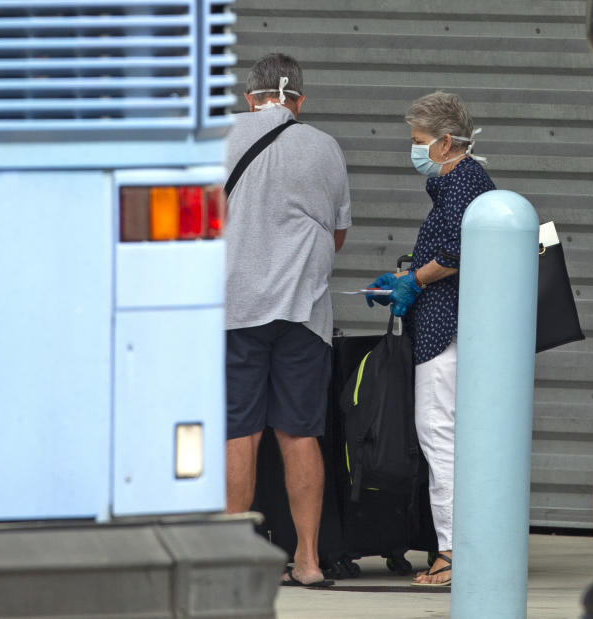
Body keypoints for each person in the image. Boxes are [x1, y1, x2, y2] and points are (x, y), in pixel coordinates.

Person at [224, 53, 351, 588]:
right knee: (300, 435)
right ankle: (308, 560)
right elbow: (338, 234)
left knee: (239, 433)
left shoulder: (220, 138)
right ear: (299, 99)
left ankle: (235, 559)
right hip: (303, 312)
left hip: (234, 311)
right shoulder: (324, 147)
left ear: (249, 96)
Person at [365, 91, 495, 586]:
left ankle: (451, 552)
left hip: (447, 333)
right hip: (451, 328)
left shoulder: (463, 182)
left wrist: (412, 282)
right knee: (451, 439)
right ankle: (464, 546)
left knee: (438, 437)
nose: (414, 150)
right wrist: (405, 279)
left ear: (444, 143)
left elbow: (456, 251)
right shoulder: (461, 182)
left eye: (419, 142)